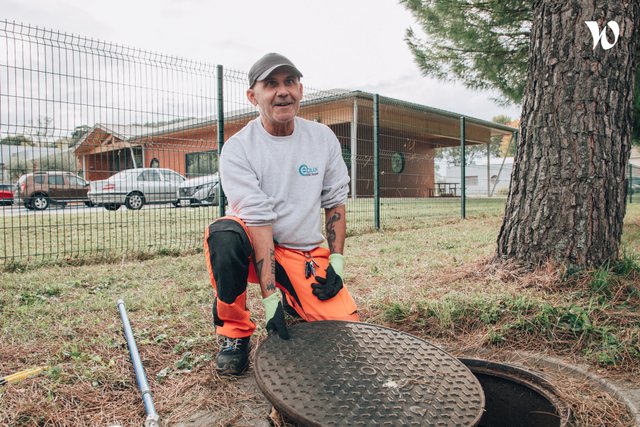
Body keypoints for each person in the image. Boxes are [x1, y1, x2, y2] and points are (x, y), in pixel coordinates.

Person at [204, 52, 359, 375]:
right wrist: (268, 296)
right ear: (253, 96)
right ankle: (235, 333)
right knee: (224, 235)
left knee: (344, 330)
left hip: (301, 250)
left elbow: (335, 201)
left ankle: (296, 298)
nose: (283, 91)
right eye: (271, 84)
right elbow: (258, 220)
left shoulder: (322, 138)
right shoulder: (239, 148)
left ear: (301, 90)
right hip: (252, 248)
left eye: (290, 82)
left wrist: (337, 261)